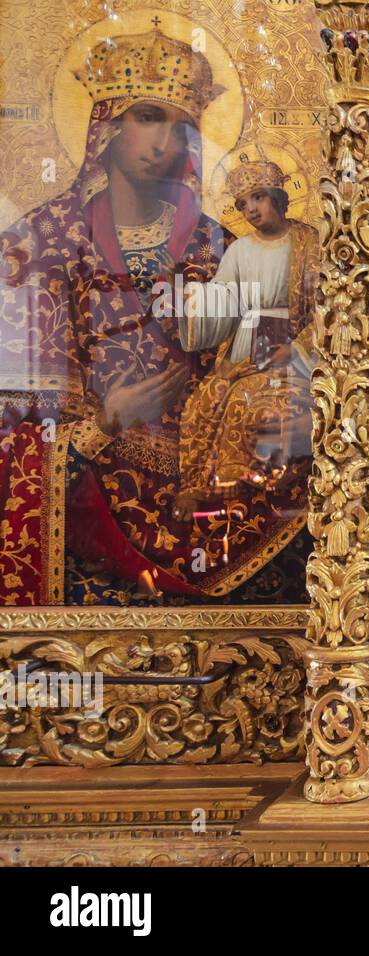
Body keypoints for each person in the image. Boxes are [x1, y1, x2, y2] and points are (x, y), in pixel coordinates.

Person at [0, 27, 311, 604]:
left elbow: (268, 355)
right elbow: (11, 428)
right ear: (108, 125)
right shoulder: (36, 249)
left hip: (220, 497)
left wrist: (287, 416)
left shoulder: (221, 247)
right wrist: (105, 424)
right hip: (90, 535)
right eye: (147, 117)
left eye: (180, 126)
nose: (163, 141)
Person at [173, 159, 318, 520]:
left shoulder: (308, 243)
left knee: (250, 404)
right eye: (241, 204)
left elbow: (329, 310)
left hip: (291, 350)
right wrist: (196, 301)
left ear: (280, 199)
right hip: (244, 348)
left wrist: (298, 349)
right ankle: (197, 486)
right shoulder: (239, 250)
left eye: (258, 197)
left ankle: (241, 485)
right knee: (203, 403)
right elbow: (225, 299)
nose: (250, 209)